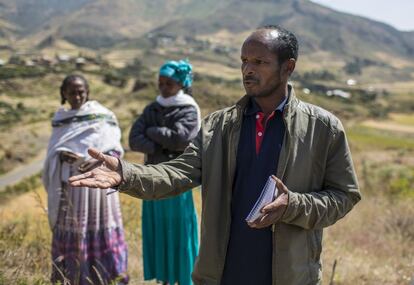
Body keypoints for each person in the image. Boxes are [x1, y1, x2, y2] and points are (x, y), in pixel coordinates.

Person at [69, 26, 361, 285]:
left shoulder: (323, 128)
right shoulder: (218, 126)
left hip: (290, 274)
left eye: (260, 62)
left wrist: (293, 205)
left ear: (288, 67)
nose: (248, 70)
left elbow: (344, 196)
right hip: (222, 272)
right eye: (245, 61)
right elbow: (177, 173)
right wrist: (126, 173)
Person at [43, 74, 128, 284]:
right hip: (71, 187)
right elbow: (53, 152)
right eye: (72, 92)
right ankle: (71, 277)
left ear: (87, 91)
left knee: (100, 227)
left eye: (81, 91)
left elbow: (115, 148)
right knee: (72, 227)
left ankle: (106, 277)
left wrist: (100, 161)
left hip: (98, 186)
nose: (77, 95)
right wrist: (61, 155)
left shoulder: (103, 116)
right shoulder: (60, 120)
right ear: (63, 93)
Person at [128, 60, 200, 285]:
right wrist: (161, 142)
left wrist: (152, 132)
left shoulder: (188, 109)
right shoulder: (152, 108)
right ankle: (165, 279)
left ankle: (183, 279)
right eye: (160, 83)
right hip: (150, 181)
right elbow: (133, 140)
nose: (163, 87)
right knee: (158, 230)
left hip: (176, 181)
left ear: (181, 84)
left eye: (169, 83)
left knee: (178, 232)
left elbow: (182, 140)